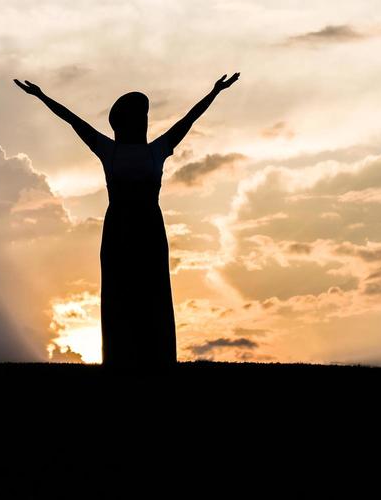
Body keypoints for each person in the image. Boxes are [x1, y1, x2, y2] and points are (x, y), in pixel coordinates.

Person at [14, 73, 240, 367]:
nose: (144, 121)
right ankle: (120, 357)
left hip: (149, 229)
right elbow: (74, 122)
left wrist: (215, 92)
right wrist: (42, 97)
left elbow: (189, 120)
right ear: (125, 122)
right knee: (120, 290)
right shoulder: (111, 150)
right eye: (138, 116)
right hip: (119, 229)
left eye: (144, 116)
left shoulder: (156, 150)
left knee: (152, 290)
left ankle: (156, 357)